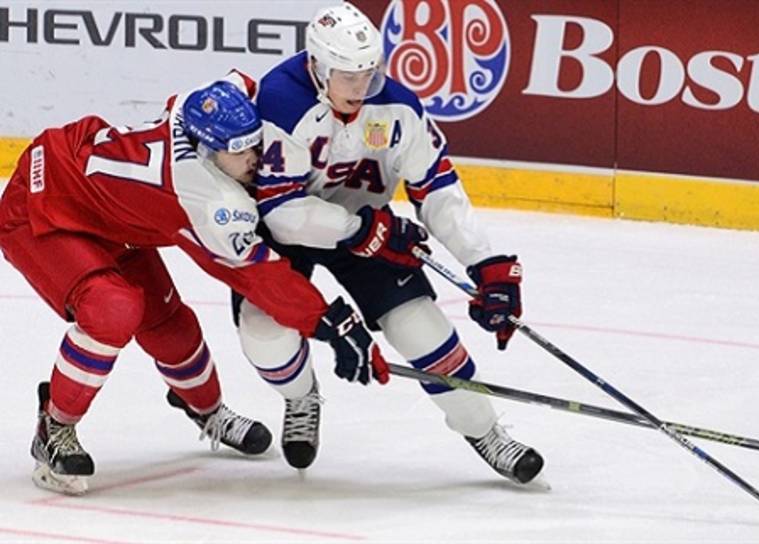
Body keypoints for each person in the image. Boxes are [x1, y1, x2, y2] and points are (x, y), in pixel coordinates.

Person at [0, 70, 389, 495]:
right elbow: (261, 276)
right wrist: (330, 321)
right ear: (207, 150)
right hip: (41, 210)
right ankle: (54, 428)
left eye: (254, 144)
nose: (255, 159)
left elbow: (253, 84)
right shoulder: (208, 200)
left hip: (104, 209)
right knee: (113, 308)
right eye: (240, 152)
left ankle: (208, 411)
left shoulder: (202, 106)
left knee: (173, 330)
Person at [237, 2, 544, 484]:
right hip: (290, 235)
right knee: (264, 332)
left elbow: (436, 186)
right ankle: (301, 397)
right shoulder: (281, 101)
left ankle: (484, 430)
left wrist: (486, 262)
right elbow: (281, 211)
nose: (361, 88)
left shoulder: (399, 106)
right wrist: (361, 230)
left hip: (367, 229)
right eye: (348, 76)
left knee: (420, 328)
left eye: (369, 74)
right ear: (317, 66)